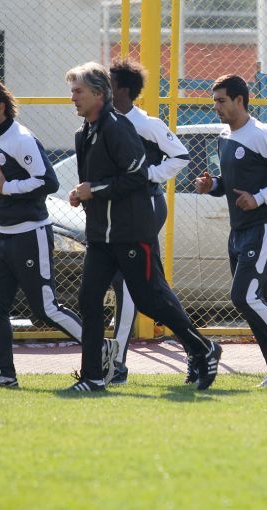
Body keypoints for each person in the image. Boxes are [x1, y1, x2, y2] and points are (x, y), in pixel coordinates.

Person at [66, 62, 221, 391]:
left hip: (131, 232)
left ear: (99, 93)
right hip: (101, 236)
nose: (72, 98)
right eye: (72, 91)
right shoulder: (83, 134)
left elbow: (136, 177)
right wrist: (81, 194)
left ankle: (202, 348)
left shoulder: (120, 128)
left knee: (150, 300)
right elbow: (92, 181)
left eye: (78, 91)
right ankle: (93, 377)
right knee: (89, 300)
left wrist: (96, 190)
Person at [0, 79, 118, 388]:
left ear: (0, 108)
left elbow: (48, 182)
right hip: (0, 237)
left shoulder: (21, 139)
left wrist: (6, 188)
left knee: (45, 309)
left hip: (29, 236)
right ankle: (4, 375)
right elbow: (11, 190)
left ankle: (101, 348)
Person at [194, 74, 267, 388]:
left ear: (240, 100)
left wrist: (259, 198)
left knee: (243, 296)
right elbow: (230, 183)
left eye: (221, 101)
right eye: (214, 101)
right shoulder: (223, 136)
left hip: (264, 227)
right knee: (254, 301)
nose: (216, 107)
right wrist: (212, 185)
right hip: (238, 231)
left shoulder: (262, 135)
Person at [107, 58, 193, 385]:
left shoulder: (146, 124)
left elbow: (180, 155)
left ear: (123, 90)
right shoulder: (104, 122)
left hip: (146, 206)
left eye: (107, 83)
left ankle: (116, 362)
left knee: (126, 281)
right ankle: (199, 348)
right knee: (152, 287)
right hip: (119, 211)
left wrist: (149, 175)